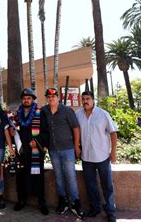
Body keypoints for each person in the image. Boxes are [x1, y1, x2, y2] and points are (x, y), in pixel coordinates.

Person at [39, 88, 86, 219]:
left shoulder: (67, 111)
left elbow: (76, 128)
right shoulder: (44, 111)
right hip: (53, 150)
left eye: (53, 96)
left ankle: (76, 203)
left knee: (70, 176)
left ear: (58, 98)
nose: (51, 99)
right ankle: (63, 201)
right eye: (48, 97)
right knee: (58, 176)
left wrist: (77, 146)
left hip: (68, 149)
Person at [76, 91, 118, 222]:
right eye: (83, 99)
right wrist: (77, 147)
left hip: (102, 157)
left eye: (87, 99)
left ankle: (110, 211)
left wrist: (113, 152)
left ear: (93, 100)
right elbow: (75, 131)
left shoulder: (103, 114)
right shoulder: (78, 114)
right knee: (91, 185)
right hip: (86, 157)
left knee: (107, 186)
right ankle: (95, 208)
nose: (85, 101)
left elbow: (113, 133)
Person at [12, 88, 48, 215]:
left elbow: (45, 131)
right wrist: (12, 133)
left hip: (35, 150)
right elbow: (15, 131)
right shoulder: (18, 114)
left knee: (38, 176)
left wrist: (37, 142)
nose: (26, 100)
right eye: (24, 98)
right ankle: (21, 200)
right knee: (21, 175)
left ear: (33, 99)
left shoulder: (40, 113)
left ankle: (41, 202)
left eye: (29, 98)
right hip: (22, 150)